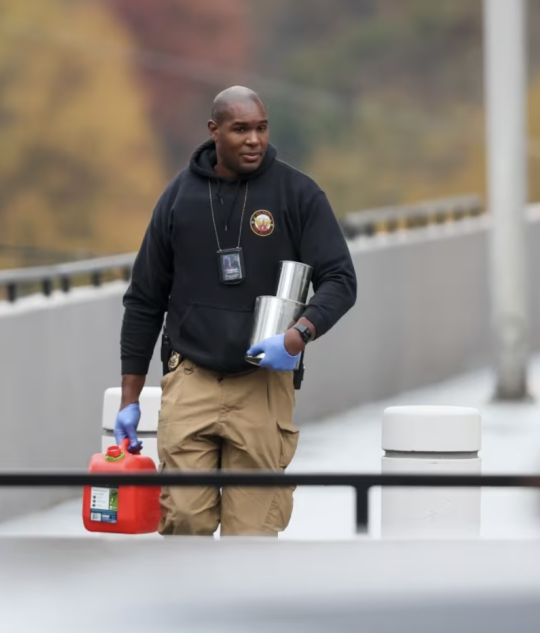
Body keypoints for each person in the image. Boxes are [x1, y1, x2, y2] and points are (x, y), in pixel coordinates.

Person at [114, 86, 357, 537]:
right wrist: (130, 401)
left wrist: (297, 336)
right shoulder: (178, 199)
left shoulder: (297, 194)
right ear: (214, 131)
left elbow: (341, 280)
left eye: (261, 128)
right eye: (240, 129)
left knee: (251, 536)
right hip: (192, 379)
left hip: (263, 384)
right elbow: (144, 299)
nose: (253, 140)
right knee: (183, 520)